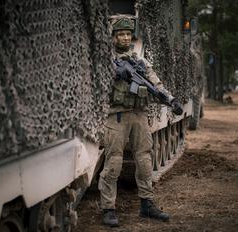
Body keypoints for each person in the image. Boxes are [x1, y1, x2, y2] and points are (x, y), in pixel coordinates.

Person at [98, 17, 183, 227]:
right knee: (114, 162)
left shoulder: (140, 62)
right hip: (116, 116)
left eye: (128, 34)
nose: (125, 38)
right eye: (121, 34)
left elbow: (156, 83)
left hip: (138, 115)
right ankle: (108, 208)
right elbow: (96, 83)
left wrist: (170, 99)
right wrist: (114, 73)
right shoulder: (104, 59)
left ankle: (147, 204)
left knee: (145, 160)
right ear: (114, 37)